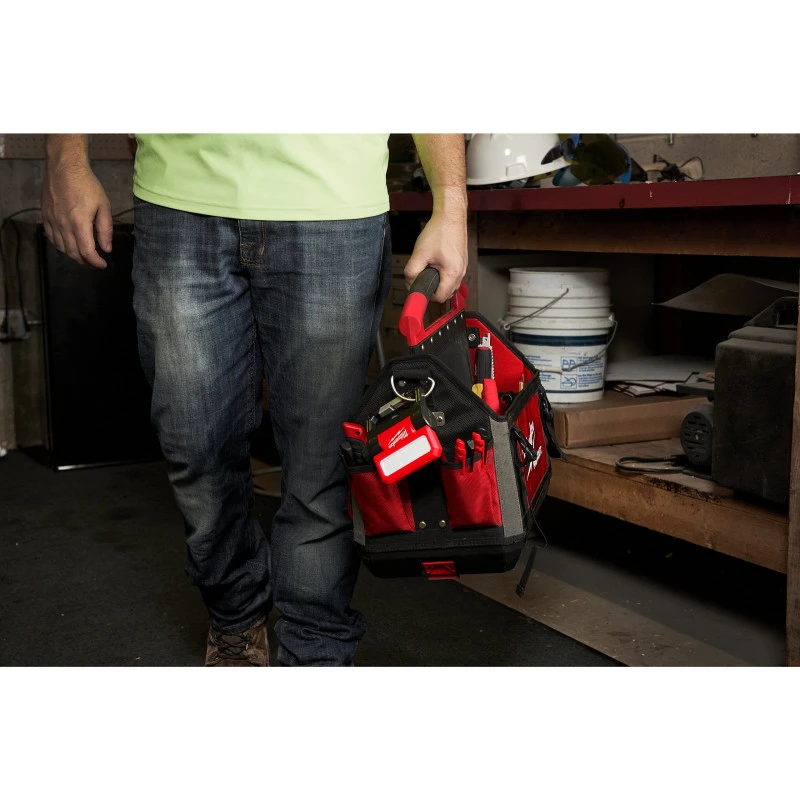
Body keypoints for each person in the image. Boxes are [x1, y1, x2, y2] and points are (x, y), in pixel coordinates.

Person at [42, 134, 468, 666]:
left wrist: (451, 205)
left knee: (321, 464)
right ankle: (236, 617)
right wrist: (65, 161)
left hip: (332, 206)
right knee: (194, 449)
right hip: (180, 202)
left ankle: (316, 649)